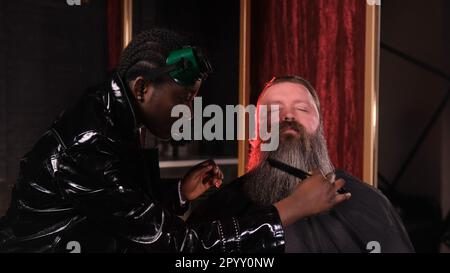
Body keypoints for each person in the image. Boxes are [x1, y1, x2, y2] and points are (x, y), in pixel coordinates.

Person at [0, 30, 349, 253]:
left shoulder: (114, 113)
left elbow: (117, 205)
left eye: (194, 100)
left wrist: (178, 193)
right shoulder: (89, 144)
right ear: (141, 88)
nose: (190, 112)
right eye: (183, 98)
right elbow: (176, 247)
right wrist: (290, 210)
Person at [188, 75, 415, 253]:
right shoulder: (221, 209)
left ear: (321, 130)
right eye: (273, 110)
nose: (288, 116)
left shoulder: (369, 203)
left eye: (302, 109)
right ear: (253, 132)